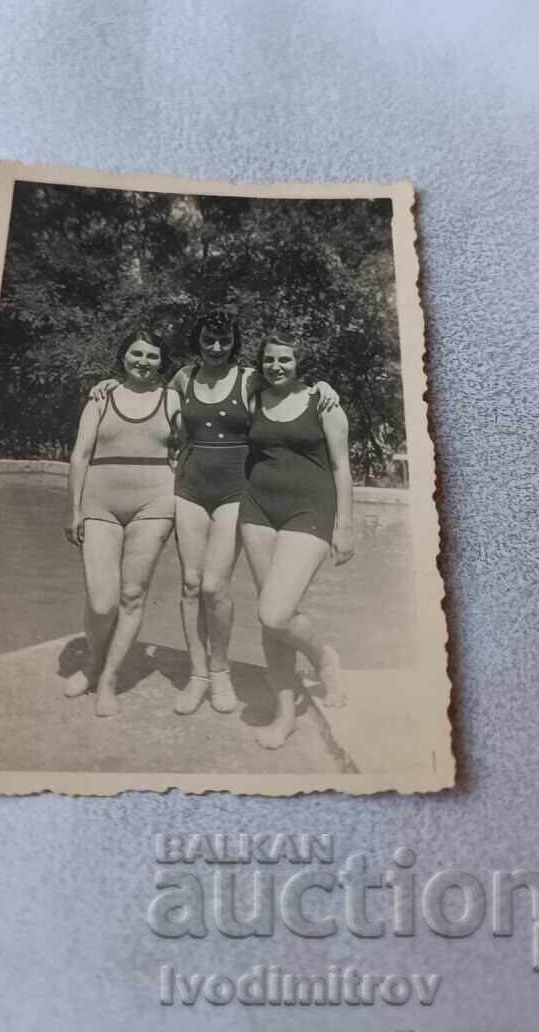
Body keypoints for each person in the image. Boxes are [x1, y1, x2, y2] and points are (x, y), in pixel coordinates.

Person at [90, 308, 339, 718]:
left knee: (213, 587)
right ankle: (199, 674)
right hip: (189, 488)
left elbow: (288, 386)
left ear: (235, 344)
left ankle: (221, 671)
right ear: (198, 341)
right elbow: (146, 391)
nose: (216, 348)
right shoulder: (183, 379)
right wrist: (108, 384)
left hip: (235, 490)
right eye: (209, 340)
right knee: (190, 584)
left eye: (224, 341)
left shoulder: (248, 379)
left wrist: (323, 386)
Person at [239, 330, 355, 749]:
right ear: (261, 363)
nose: (277, 367)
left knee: (275, 613)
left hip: (310, 511)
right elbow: (198, 383)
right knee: (271, 616)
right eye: (270, 360)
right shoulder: (252, 397)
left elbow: (341, 467)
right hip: (257, 511)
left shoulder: (322, 402)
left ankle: (323, 656)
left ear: (298, 362)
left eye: (285, 360)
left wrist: (345, 524)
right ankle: (284, 714)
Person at [64, 330, 181, 716]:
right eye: (136, 353)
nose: (143, 361)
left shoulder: (172, 400)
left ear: (161, 362)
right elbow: (80, 455)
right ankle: (92, 662)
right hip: (101, 503)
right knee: (101, 601)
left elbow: (197, 444)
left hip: (154, 503)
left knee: (132, 596)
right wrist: (75, 508)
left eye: (152, 356)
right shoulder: (102, 397)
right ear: (123, 356)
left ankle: (109, 677)